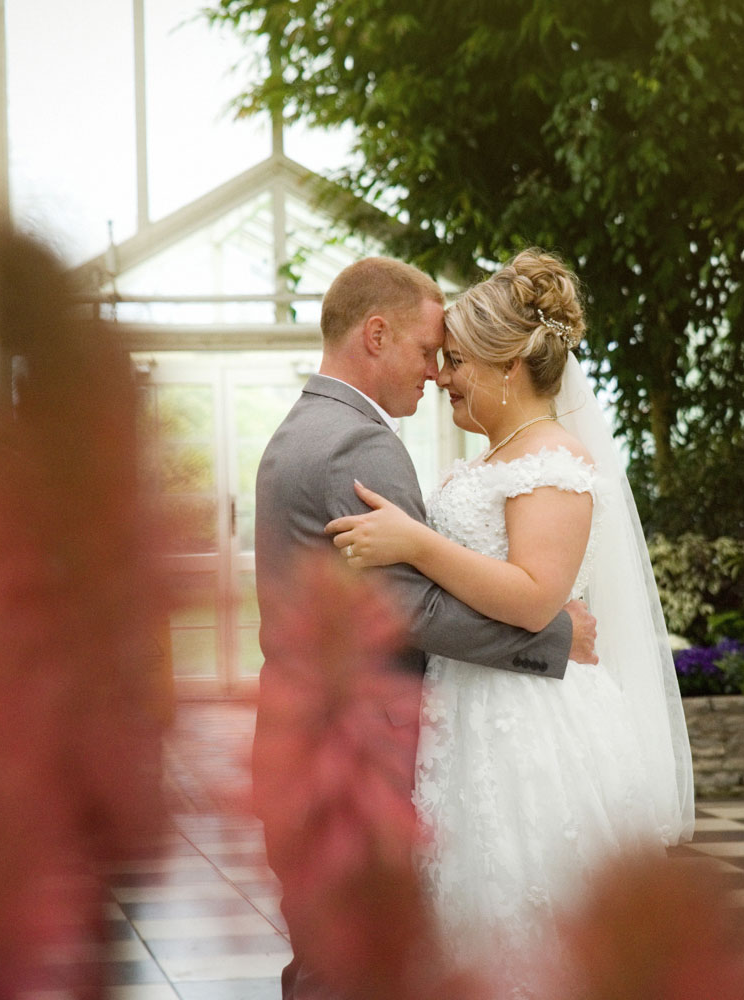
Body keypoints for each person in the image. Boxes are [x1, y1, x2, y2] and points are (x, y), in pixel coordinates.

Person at [325, 249, 695, 995]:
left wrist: (415, 543)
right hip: (470, 712)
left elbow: (532, 595)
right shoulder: (498, 457)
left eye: (455, 361)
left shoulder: (552, 460)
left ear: (506, 366)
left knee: (531, 927)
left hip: (531, 726)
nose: (442, 378)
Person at [252, 256, 599, 1000]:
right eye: (426, 351)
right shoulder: (354, 442)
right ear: (375, 335)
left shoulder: (309, 426)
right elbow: (411, 610)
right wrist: (556, 638)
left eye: (451, 358)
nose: (436, 372)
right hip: (349, 755)